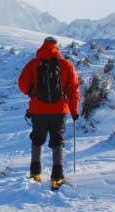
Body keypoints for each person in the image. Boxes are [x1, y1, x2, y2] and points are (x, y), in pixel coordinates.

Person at [17, 37, 80, 190]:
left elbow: (22, 84)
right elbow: (73, 90)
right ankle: (57, 177)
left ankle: (35, 173)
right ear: (57, 47)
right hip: (59, 109)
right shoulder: (66, 65)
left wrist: (33, 93)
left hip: (38, 109)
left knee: (37, 139)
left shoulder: (33, 64)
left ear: (43, 45)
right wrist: (74, 110)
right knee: (57, 140)